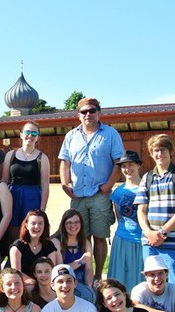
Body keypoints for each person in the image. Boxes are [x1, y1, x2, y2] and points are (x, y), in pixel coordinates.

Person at [58, 97, 124, 278]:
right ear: (78, 115)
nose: (88, 114)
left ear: (98, 113)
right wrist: (65, 184)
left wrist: (109, 185)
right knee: (81, 237)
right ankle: (84, 272)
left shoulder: (110, 134)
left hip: (99, 194)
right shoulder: (71, 136)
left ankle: (97, 276)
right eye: (84, 112)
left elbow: (119, 161)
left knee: (100, 235)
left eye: (92, 111)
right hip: (78, 195)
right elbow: (65, 161)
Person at [135, 134, 175, 292]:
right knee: (154, 287)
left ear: (170, 151)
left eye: (162, 150)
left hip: (173, 240)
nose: (159, 154)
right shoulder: (147, 178)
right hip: (149, 243)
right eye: (155, 150)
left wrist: (162, 232)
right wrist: (149, 233)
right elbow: (141, 210)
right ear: (151, 154)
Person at [1, 121, 50, 243]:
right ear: (21, 135)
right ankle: (13, 259)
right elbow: (4, 181)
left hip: (32, 197)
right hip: (12, 196)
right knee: (12, 232)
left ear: (37, 137)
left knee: (30, 231)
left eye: (34, 133)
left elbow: (45, 185)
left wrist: (42, 210)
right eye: (27, 132)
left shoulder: (42, 158)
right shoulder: (10, 155)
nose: (30, 136)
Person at [108, 150, 145, 291]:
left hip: (142, 240)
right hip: (122, 239)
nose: (127, 169)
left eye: (130, 165)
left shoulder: (147, 188)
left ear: (138, 165)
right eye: (124, 166)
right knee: (120, 278)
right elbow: (120, 218)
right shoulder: (118, 192)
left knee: (140, 279)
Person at [9, 210, 60, 290]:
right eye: (33, 223)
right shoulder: (17, 247)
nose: (37, 226)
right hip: (22, 285)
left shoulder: (49, 246)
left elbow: (51, 271)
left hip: (44, 283)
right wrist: (36, 283)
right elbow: (17, 272)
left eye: (40, 223)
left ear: (44, 226)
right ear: (26, 225)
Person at [51, 209, 95, 302]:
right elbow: (61, 269)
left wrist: (89, 286)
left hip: (83, 277)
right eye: (69, 223)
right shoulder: (56, 242)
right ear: (63, 225)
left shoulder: (85, 242)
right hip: (66, 279)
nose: (73, 225)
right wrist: (80, 261)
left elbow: (89, 269)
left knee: (98, 293)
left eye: (76, 222)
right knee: (87, 295)